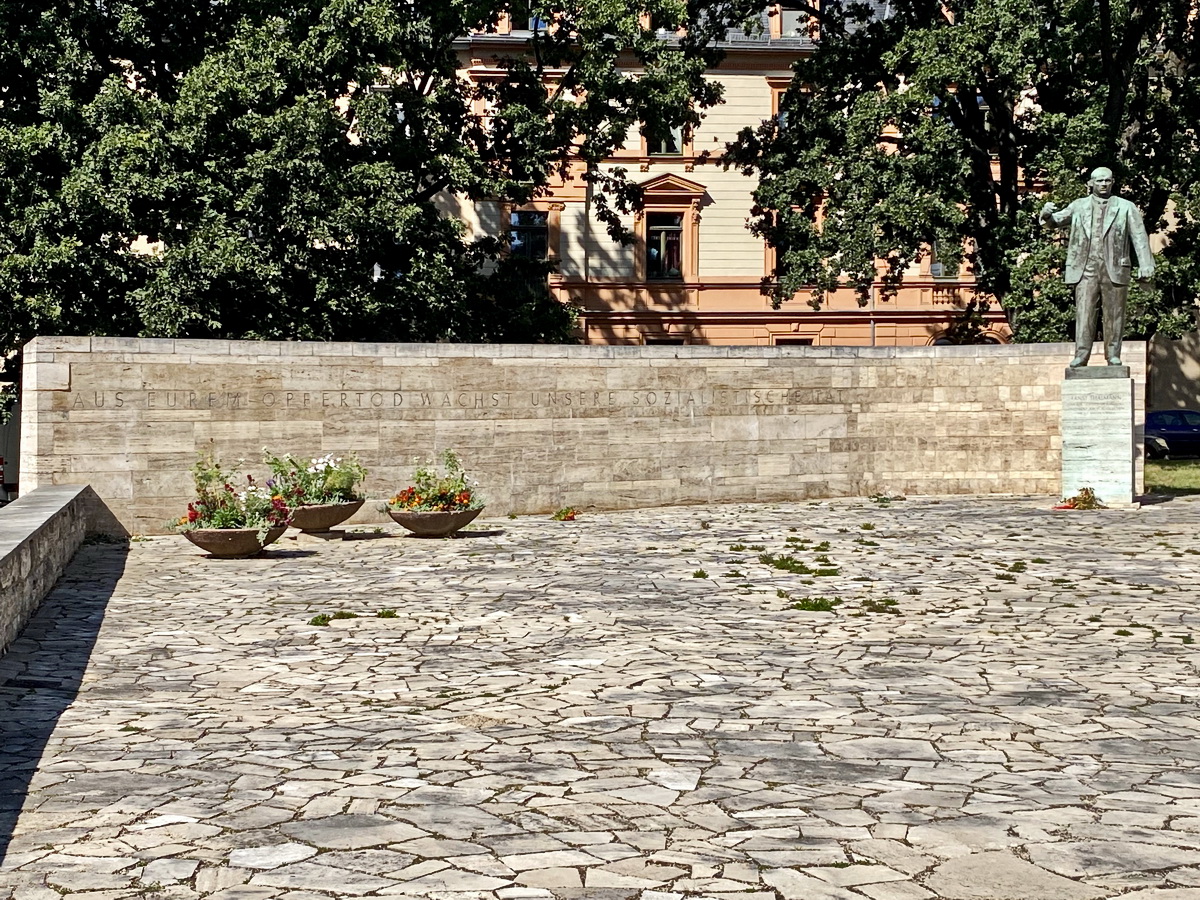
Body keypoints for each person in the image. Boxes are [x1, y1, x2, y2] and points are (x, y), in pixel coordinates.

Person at [1040, 167, 1155, 367]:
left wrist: (1145, 264)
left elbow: (1139, 236)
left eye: (1107, 180)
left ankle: (1113, 355)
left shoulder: (1126, 206)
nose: (1103, 184)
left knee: (1114, 315)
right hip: (1085, 268)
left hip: (1116, 268)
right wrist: (1046, 215)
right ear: (1091, 183)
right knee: (1084, 313)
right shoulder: (1078, 206)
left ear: (1113, 183)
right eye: (1099, 181)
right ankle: (1081, 356)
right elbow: (1055, 221)